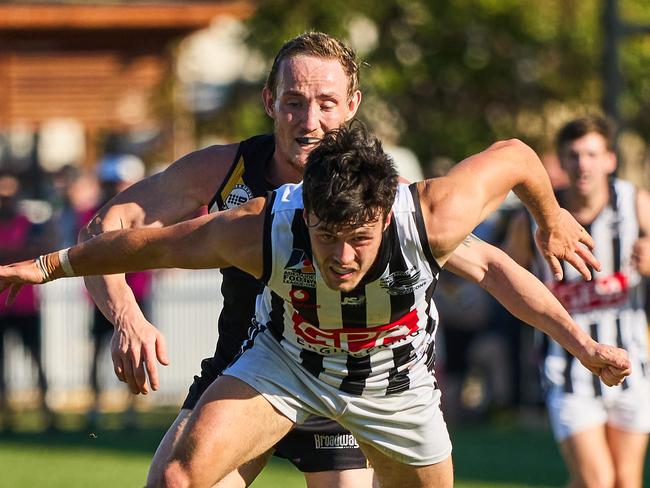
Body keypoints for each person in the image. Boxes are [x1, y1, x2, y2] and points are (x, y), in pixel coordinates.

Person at [0, 124, 631, 488]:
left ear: (385, 216)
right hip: (287, 365)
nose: (344, 258)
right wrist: (51, 265)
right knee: (177, 479)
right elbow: (151, 241)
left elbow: (517, 157)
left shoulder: (436, 214)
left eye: (360, 239)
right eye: (328, 238)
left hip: (396, 385)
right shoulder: (263, 226)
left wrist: (550, 219)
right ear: (306, 214)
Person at [80, 32, 371, 487]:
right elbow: (102, 231)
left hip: (335, 380)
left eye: (327, 103)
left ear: (352, 104)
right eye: (294, 101)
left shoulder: (380, 189)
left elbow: (480, 262)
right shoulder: (224, 169)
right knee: (173, 483)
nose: (309, 121)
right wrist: (127, 318)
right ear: (269, 101)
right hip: (244, 370)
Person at [504, 115, 650, 488]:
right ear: (562, 162)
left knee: (626, 481)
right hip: (566, 368)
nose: (583, 164)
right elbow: (506, 274)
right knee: (596, 481)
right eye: (573, 155)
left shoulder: (635, 204)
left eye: (591, 154)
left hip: (632, 362)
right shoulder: (533, 218)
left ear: (610, 160)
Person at [0, 174, 54, 431]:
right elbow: (30, 254)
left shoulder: (30, 225)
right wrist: (21, 252)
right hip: (2, 308)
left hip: (26, 305)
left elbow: (43, 252)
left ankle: (46, 412)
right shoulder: (29, 229)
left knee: (36, 358)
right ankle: (6, 415)